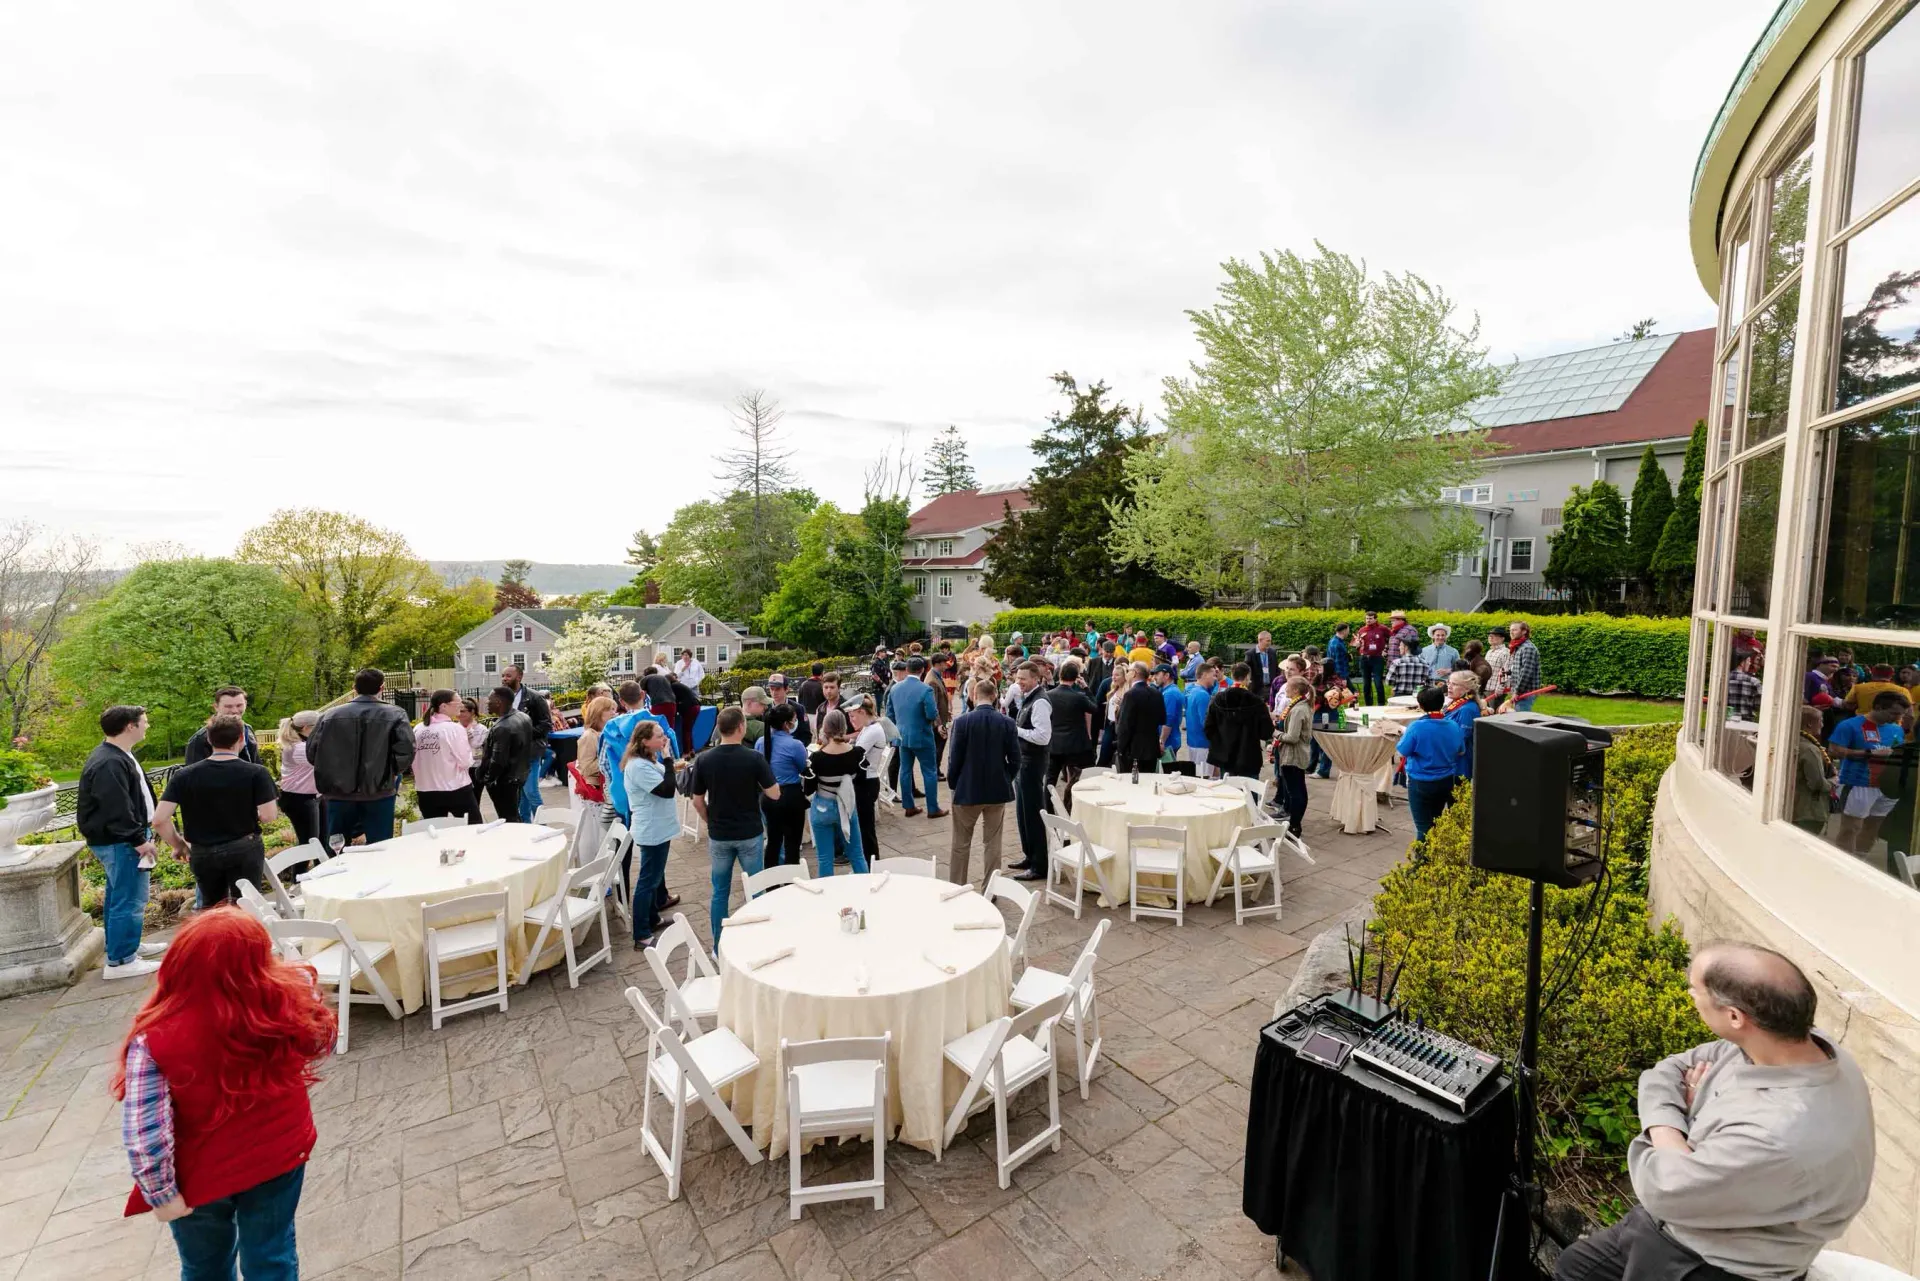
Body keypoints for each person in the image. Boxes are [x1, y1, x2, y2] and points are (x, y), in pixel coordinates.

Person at [1553, 944, 1874, 1281]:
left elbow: (1661, 1188)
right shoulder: (1801, 1046)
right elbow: (1668, 1070)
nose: (1690, 995)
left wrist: (1670, 1125)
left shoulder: (1779, 1133)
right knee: (1575, 1268)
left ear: (1735, 1017)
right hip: (1680, 1222)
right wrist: (1682, 1142)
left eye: (1695, 989)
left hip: (1711, 1262)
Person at [113, 908, 337, 1277]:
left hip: (201, 1176)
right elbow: (317, 1035)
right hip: (278, 1157)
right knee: (272, 1254)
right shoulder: (282, 1003)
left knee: (206, 1267)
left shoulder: (153, 1039)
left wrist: (161, 1194)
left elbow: (144, 1132)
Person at [77, 705, 167, 980]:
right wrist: (139, 840)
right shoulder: (109, 762)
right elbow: (115, 808)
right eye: (144, 722)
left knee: (120, 897)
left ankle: (126, 946)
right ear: (130, 726)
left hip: (121, 840)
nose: (147, 726)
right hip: (122, 842)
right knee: (129, 899)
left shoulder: (116, 755)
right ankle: (121, 961)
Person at [155, 716, 279, 906]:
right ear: (241, 739)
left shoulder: (184, 775)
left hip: (203, 851)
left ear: (209, 740)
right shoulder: (256, 772)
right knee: (248, 904)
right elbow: (270, 816)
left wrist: (178, 844)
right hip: (244, 847)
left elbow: (159, 819)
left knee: (212, 907)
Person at [690, 707, 779, 945]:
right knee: (756, 889)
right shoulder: (753, 758)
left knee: (720, 892)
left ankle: (719, 945)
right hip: (749, 831)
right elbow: (775, 794)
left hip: (720, 833)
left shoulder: (704, 760)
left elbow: (697, 801)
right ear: (741, 727)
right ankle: (758, 940)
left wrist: (709, 820)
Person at [307, 668, 415, 845]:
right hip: (379, 791)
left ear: (354, 687)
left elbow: (312, 752)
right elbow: (406, 751)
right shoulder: (396, 714)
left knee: (337, 846)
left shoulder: (329, 715)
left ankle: (340, 873)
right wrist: (390, 772)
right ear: (382, 687)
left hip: (338, 793)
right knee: (381, 846)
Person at [944, 677, 1020, 886]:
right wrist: (1006, 778)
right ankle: (991, 888)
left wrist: (954, 784)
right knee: (993, 843)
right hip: (997, 789)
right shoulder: (1007, 722)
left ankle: (957, 886)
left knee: (960, 843)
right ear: (995, 696)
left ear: (974, 696)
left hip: (967, 789)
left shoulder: (962, 722)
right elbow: (1015, 759)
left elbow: (954, 759)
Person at [1829, 689, 1909, 857]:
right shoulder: (1850, 725)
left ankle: (1859, 861)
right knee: (1851, 828)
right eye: (1894, 713)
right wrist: (1867, 754)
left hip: (1886, 787)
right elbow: (1834, 751)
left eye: (1900, 714)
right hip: (1858, 783)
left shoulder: (1897, 729)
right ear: (1878, 707)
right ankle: (1843, 865)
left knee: (1874, 828)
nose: (1897, 718)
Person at [620, 721, 679, 948]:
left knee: (655, 878)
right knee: (647, 880)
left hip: (659, 827)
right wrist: (669, 760)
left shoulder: (647, 760)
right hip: (651, 829)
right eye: (659, 736)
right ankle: (641, 934)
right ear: (644, 741)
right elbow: (666, 790)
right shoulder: (638, 767)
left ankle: (653, 918)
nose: (664, 739)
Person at [803, 710, 868, 878]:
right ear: (844, 727)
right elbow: (861, 780)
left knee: (825, 859)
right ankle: (867, 891)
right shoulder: (857, 753)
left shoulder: (817, 758)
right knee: (857, 855)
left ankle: (828, 899)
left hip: (823, 807)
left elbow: (809, 789)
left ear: (825, 729)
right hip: (846, 806)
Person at [1395, 687, 1465, 842]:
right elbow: (1460, 751)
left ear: (1421, 705)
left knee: (1423, 827)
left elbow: (1402, 752)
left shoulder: (1417, 727)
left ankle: (1422, 862)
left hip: (1421, 782)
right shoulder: (1453, 725)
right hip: (1446, 780)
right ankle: (1434, 859)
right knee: (1435, 820)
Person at [1004, 662, 1053, 881]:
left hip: (1033, 762)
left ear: (1036, 678)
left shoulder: (1040, 700)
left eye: (1023, 678)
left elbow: (1043, 736)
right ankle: (1029, 855)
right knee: (1022, 811)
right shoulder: (1029, 697)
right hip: (1024, 760)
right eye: (1017, 678)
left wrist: (1016, 730)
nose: (1019, 682)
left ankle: (1039, 864)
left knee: (1033, 812)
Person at [412, 689, 479, 824]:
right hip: (456, 788)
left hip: (426, 791)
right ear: (444, 706)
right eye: (458, 703)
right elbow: (465, 762)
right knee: (473, 829)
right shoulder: (455, 729)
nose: (461, 706)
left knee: (435, 833)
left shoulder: (418, 729)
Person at [886, 656, 942, 817]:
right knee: (929, 771)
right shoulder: (925, 689)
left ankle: (908, 806)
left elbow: (890, 714)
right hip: (922, 735)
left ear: (907, 670)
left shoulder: (895, 689)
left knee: (905, 770)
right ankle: (933, 808)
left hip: (902, 735)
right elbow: (931, 713)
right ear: (922, 670)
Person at [498, 664, 553, 822]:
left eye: (508, 676)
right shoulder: (502, 698)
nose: (504, 679)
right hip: (512, 754)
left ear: (519, 677)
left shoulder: (535, 698)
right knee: (522, 793)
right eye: (503, 675)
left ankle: (544, 825)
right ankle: (525, 824)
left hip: (530, 751)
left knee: (531, 792)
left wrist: (523, 733)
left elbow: (546, 724)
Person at [757, 703, 809, 868]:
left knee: (773, 841)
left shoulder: (761, 742)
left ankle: (771, 883)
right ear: (787, 724)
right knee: (792, 843)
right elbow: (803, 768)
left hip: (768, 795)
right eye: (794, 720)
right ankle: (791, 881)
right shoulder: (795, 745)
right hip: (790, 795)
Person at [1206, 662, 1273, 781]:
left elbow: (1208, 728)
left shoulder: (1218, 699)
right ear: (1248, 676)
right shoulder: (1256, 702)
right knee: (1250, 794)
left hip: (1225, 753)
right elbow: (1266, 733)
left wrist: (1220, 741)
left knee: (1229, 792)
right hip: (1248, 754)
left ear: (1232, 675)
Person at [478, 687, 536, 823]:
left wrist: (488, 779)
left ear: (498, 702)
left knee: (508, 819)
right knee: (514, 814)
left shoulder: (502, 727)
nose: (487, 703)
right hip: (519, 776)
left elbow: (498, 761)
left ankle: (514, 842)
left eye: (489, 700)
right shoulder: (524, 716)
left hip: (504, 782)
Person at [1045, 658, 1098, 804]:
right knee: (1079, 777)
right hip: (1075, 745)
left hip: (1055, 743)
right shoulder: (1079, 697)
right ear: (1076, 678)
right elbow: (1094, 708)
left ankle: (1047, 809)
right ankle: (1075, 805)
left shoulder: (1049, 695)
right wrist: (1086, 688)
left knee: (1050, 780)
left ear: (1060, 674)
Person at [274, 710, 324, 849]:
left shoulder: (303, 743)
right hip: (300, 799)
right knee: (309, 845)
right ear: (306, 728)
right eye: (319, 726)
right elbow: (327, 763)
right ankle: (300, 871)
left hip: (312, 796)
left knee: (321, 842)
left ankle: (319, 867)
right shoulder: (299, 748)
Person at [847, 695, 887, 863]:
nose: (851, 720)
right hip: (864, 781)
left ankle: (872, 865)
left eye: (852, 716)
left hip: (867, 783)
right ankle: (868, 864)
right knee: (863, 828)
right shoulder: (868, 728)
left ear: (862, 712)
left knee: (866, 829)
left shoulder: (873, 730)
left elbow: (855, 755)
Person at [1273, 678, 1313, 836]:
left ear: (1296, 691)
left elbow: (1292, 737)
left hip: (1293, 756)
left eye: (1288, 687)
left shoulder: (1297, 710)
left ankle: (1295, 826)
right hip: (1297, 755)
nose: (1285, 689)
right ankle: (1294, 823)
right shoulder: (1301, 705)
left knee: (1295, 792)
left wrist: (1275, 733)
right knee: (1299, 790)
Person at [183, 686, 263, 767]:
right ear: (216, 707)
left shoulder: (248, 730)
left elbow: (256, 763)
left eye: (239, 705)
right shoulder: (199, 739)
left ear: (245, 704)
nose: (234, 711)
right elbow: (192, 774)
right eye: (228, 706)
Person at [1114, 661, 1166, 774]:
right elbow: (1162, 719)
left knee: (1132, 784)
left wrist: (1120, 748)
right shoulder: (1157, 693)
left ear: (1134, 673)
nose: (1127, 674)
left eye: (1128, 671)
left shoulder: (1130, 695)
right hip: (1151, 747)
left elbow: (1125, 726)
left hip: (1133, 750)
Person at [1793, 705, 1835, 837]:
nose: (1822, 725)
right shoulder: (1810, 749)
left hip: (1793, 807)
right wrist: (1833, 781)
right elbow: (1816, 783)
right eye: (1821, 720)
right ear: (1810, 723)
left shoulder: (1792, 742)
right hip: (1808, 810)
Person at [1182, 662, 1219, 779]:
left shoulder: (1190, 689)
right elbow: (1206, 722)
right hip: (1203, 743)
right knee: (1205, 778)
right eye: (1213, 675)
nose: (1215, 678)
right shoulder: (1203, 695)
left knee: (1197, 776)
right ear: (1204, 675)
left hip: (1193, 741)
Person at [1444, 670, 1483, 781]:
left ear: (1467, 689)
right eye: (1449, 683)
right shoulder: (1457, 702)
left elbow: (1461, 738)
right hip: (1451, 761)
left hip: (1459, 765)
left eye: (1454, 684)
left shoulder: (1467, 709)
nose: (1449, 687)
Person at [1355, 610, 1391, 706]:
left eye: (1370, 618)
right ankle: (1368, 704)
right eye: (1367, 618)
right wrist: (1357, 645)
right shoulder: (1361, 630)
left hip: (1377, 658)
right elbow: (1356, 644)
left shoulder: (1382, 628)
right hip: (1364, 658)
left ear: (1375, 619)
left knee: (1378, 682)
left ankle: (1381, 703)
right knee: (1366, 684)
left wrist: (1386, 650)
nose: (1368, 620)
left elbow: (1392, 638)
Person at [765, 673, 812, 746]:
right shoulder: (765, 709)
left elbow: (806, 735)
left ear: (786, 689)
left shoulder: (798, 708)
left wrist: (796, 748)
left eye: (778, 689)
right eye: (771, 689)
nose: (774, 693)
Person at [1152, 664, 1184, 766]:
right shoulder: (1167, 690)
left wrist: (1161, 742)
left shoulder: (1170, 694)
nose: (1154, 677)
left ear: (1166, 676)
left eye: (1157, 674)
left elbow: (1168, 720)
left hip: (1168, 742)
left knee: (1166, 774)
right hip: (1170, 740)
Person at [1508, 621, 1543, 712]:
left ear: (1524, 632)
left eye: (1515, 630)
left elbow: (1526, 673)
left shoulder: (1527, 648)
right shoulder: (1519, 647)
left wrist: (1517, 692)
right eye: (1510, 630)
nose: (1511, 632)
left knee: (1521, 719)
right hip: (1520, 691)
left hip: (1526, 692)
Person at [458, 697, 488, 792]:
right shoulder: (453, 728)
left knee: (475, 799)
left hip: (475, 768)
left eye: (463, 711)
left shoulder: (482, 730)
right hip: (458, 769)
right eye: (458, 711)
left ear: (472, 712)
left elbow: (482, 752)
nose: (459, 714)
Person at [1727, 648, 1764, 721]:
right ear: (1741, 663)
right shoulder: (1754, 681)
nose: (1750, 664)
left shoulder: (1724, 679)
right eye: (1748, 661)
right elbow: (1760, 705)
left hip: (1726, 721)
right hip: (1746, 723)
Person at [1245, 632, 1280, 705]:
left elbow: (1276, 669)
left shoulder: (1272, 652)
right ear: (1260, 640)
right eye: (1268, 641)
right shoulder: (1250, 654)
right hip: (1256, 688)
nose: (1270, 643)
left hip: (1270, 688)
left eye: (1270, 640)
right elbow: (1246, 671)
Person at [1484, 626, 1514, 707]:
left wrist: (1500, 688)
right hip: (1486, 687)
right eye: (1490, 635)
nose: (1490, 637)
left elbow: (1506, 672)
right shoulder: (1489, 652)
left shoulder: (1506, 652)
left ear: (1502, 638)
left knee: (1494, 714)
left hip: (1496, 690)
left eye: (1494, 636)